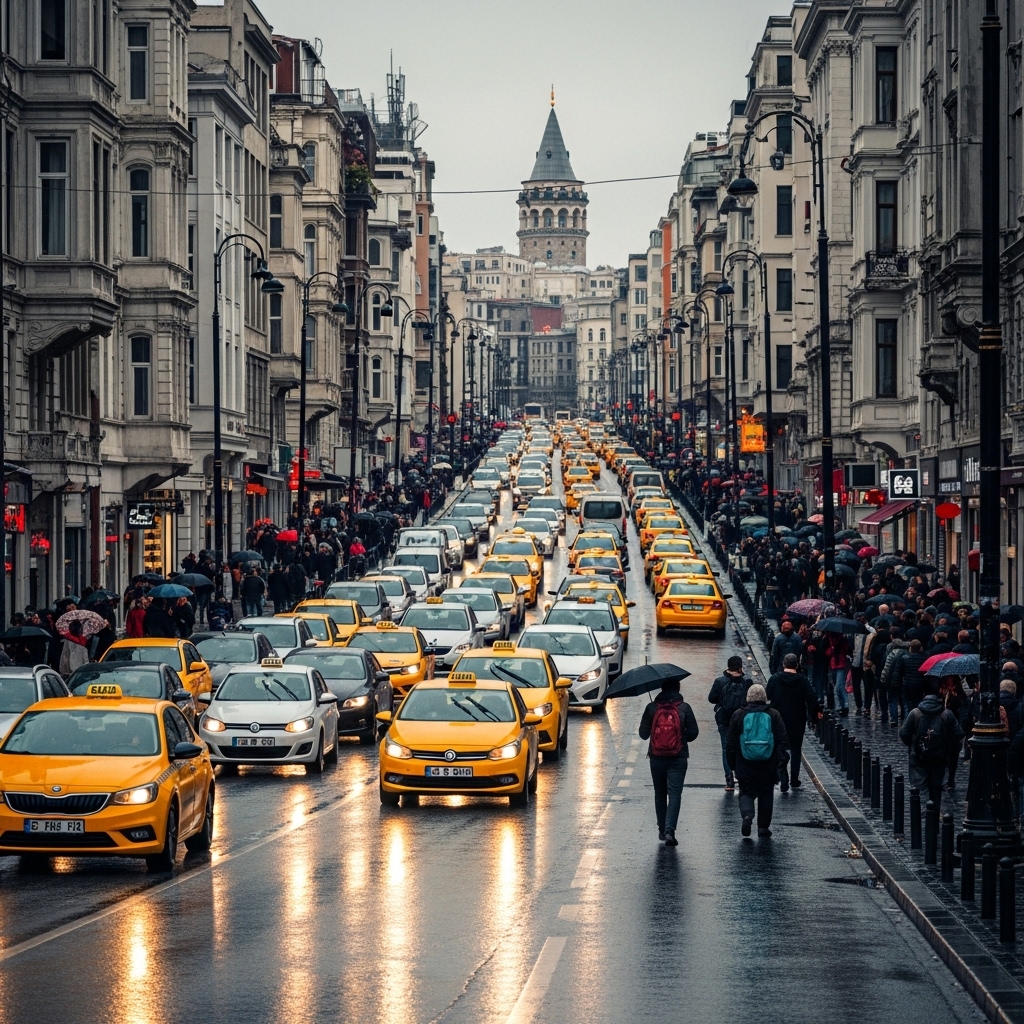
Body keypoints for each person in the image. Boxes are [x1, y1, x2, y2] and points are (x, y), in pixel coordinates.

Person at [638, 676, 699, 846]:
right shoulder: (685, 708)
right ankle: (670, 830)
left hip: (656, 757)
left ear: (661, 689)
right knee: (674, 794)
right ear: (678, 688)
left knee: (659, 793)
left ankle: (661, 829)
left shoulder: (652, 707)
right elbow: (694, 733)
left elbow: (643, 734)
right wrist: (681, 736)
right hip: (678, 757)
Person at [726, 683, 790, 838]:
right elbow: (782, 740)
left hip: (744, 762)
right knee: (766, 793)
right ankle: (763, 827)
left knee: (746, 792)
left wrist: (732, 763)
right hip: (768, 763)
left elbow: (731, 742)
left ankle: (747, 816)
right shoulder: (774, 714)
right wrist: (781, 762)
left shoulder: (738, 715)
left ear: (748, 698)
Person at [899, 681, 964, 805]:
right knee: (936, 789)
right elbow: (959, 735)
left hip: (918, 757)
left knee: (920, 789)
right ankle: (933, 815)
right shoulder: (947, 714)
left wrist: (913, 745)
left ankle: (924, 815)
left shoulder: (915, 713)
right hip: (939, 758)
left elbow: (904, 734)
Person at [766, 653, 819, 791]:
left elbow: (768, 695)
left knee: (779, 748)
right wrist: (814, 718)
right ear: (797, 665)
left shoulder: (775, 679)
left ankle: (783, 775)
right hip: (797, 719)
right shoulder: (802, 681)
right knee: (796, 749)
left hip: (778, 719)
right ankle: (794, 778)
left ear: (784, 664)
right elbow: (812, 699)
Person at [708, 655, 751, 792]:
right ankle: (741, 775)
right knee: (741, 748)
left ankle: (729, 779)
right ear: (740, 667)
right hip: (742, 720)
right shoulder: (747, 682)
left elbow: (711, 699)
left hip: (724, 720)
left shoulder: (720, 682)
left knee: (726, 749)